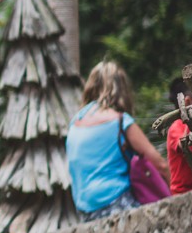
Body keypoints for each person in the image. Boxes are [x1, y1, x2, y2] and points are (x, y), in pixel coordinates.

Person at [66, 62, 168, 222]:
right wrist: (176, 191)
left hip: (84, 212)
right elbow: (159, 164)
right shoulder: (120, 121)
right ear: (121, 88)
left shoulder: (74, 124)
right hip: (116, 203)